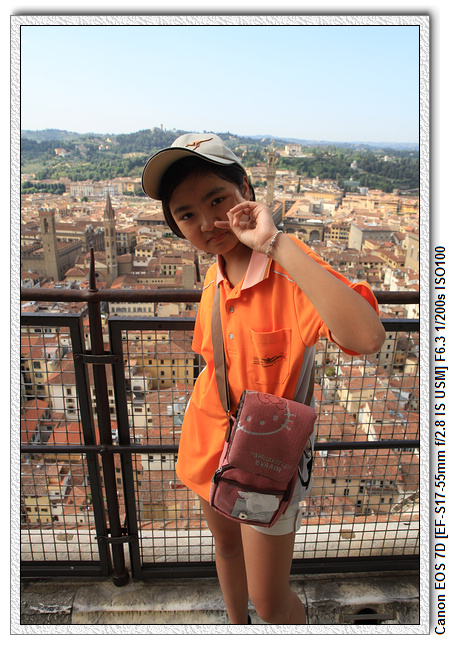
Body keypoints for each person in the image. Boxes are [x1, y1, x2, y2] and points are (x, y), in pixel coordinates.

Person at [141, 133, 386, 625]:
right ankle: (237, 629)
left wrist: (275, 243)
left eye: (218, 201)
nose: (206, 223)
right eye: (186, 214)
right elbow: (213, 364)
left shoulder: (289, 274)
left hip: (267, 461)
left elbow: (367, 336)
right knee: (225, 548)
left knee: (271, 601)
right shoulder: (213, 274)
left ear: (247, 191)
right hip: (207, 442)